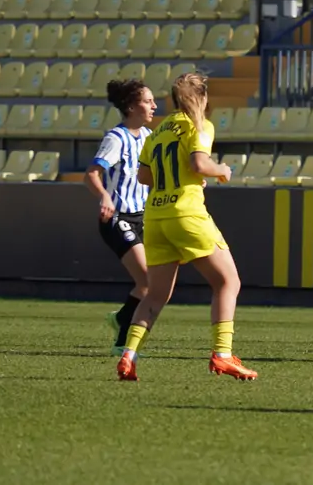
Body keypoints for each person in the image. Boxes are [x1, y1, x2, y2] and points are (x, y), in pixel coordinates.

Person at [116, 73, 257, 382]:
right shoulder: (200, 125)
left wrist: (182, 175)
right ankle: (222, 355)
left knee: (155, 295)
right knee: (228, 282)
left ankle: (129, 355)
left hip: (155, 217)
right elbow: (199, 164)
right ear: (201, 98)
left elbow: (144, 177)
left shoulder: (156, 133)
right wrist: (221, 171)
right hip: (186, 214)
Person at [84, 79, 156, 356]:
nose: (154, 105)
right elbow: (91, 173)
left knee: (148, 283)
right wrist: (104, 196)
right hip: (117, 217)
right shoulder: (116, 138)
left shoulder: (149, 137)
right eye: (148, 101)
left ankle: (119, 319)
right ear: (131, 105)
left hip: (143, 217)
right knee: (148, 280)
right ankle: (123, 342)